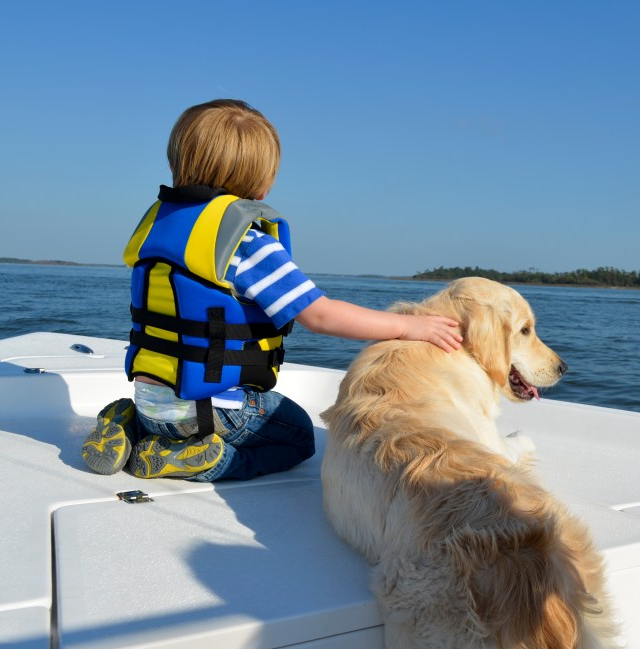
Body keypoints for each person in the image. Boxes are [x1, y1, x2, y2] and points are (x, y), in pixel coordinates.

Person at [81, 99, 462, 482]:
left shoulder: (157, 229)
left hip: (150, 401)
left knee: (175, 406)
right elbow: (320, 315)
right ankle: (205, 461)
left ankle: (129, 424)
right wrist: (407, 327)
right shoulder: (246, 243)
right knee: (298, 436)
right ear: (260, 181)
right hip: (210, 409)